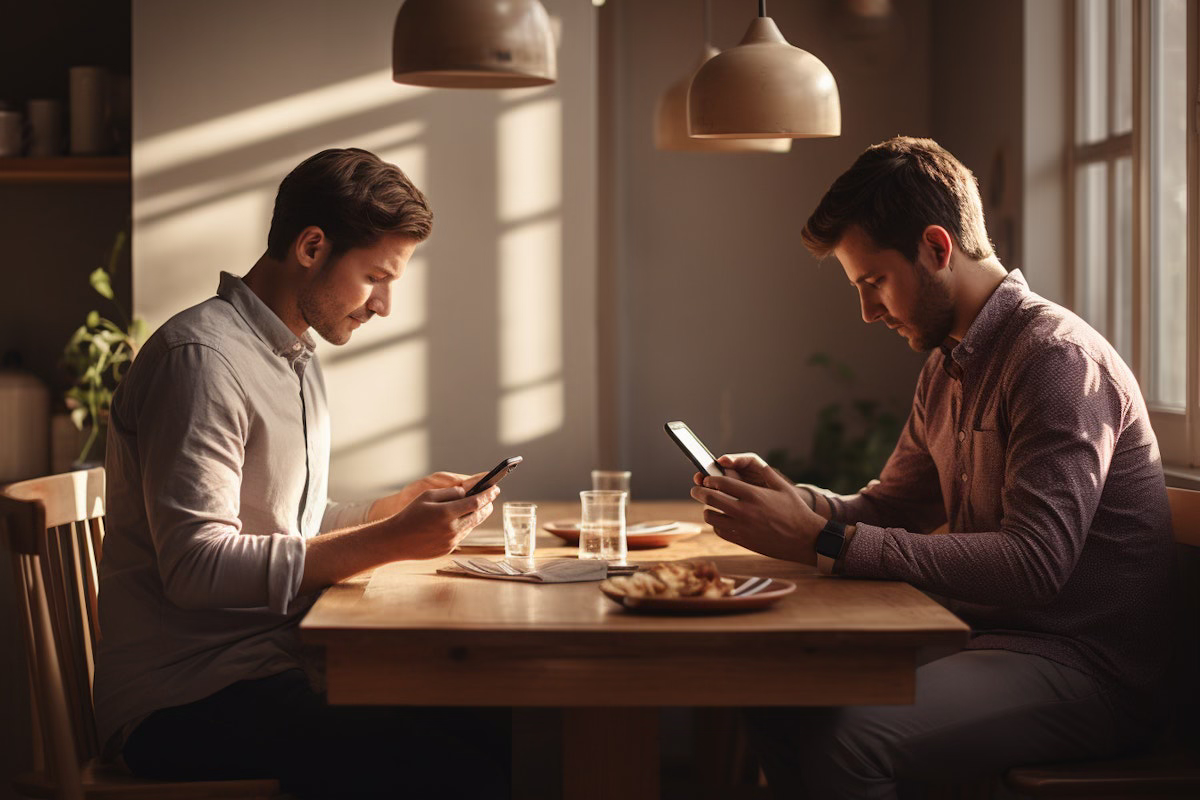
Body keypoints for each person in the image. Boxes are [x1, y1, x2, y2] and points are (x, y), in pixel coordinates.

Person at [689, 137, 1175, 797]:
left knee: (838, 735)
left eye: (874, 282)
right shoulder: (948, 365)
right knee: (776, 689)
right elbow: (891, 507)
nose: (867, 311)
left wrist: (823, 540)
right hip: (984, 640)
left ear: (937, 248)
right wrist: (797, 502)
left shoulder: (1054, 360)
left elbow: (1036, 563)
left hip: (1085, 670)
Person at [94, 148, 509, 798]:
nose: (385, 305)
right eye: (376, 276)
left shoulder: (291, 358)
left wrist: (391, 512)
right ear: (312, 246)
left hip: (267, 666)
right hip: (183, 699)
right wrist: (389, 543)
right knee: (450, 755)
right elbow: (195, 569)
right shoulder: (200, 361)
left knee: (481, 715)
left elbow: (284, 523)